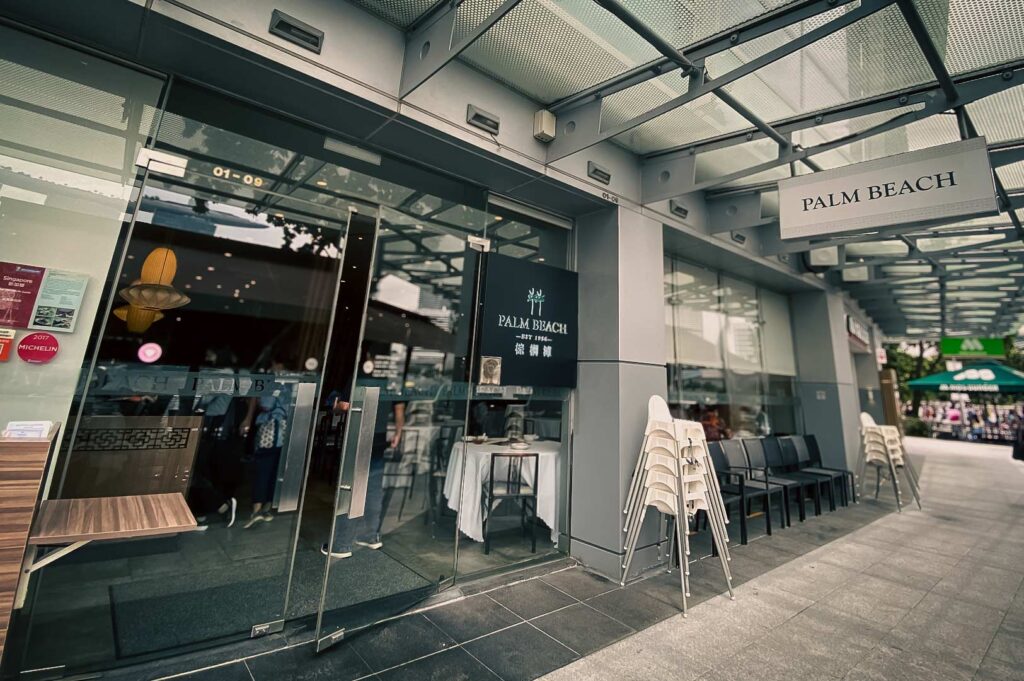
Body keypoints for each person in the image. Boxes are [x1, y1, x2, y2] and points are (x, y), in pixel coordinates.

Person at [322, 351, 405, 559]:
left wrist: (339, 405)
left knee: (350, 488)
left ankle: (341, 544)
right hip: (378, 437)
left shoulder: (359, 373)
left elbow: (342, 405)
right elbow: (399, 407)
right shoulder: (391, 376)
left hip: (358, 436)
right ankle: (370, 536)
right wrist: (398, 433)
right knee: (374, 488)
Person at [187, 346, 242, 529]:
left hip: (207, 424)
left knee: (192, 470)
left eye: (211, 353)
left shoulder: (223, 373)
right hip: (206, 424)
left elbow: (211, 401)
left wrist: (197, 404)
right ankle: (201, 512)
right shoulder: (220, 372)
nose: (207, 356)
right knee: (197, 469)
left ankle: (220, 505)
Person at [240, 352, 291, 528]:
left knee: (266, 469)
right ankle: (264, 507)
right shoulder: (287, 382)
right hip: (281, 430)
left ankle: (259, 508)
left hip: (272, 429)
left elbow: (265, 403)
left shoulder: (274, 381)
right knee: (271, 469)